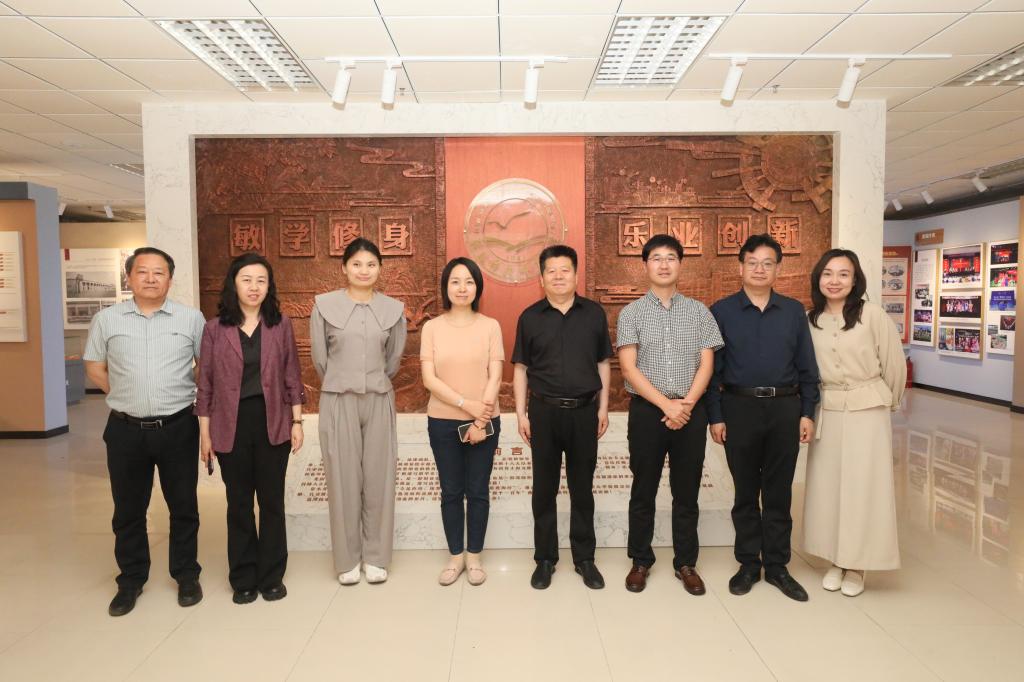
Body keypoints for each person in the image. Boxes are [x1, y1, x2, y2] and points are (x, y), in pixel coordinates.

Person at [84, 247, 207, 617]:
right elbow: (94, 367)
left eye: (159, 272)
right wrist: (124, 394)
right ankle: (131, 579)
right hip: (125, 430)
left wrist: (181, 389)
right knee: (128, 509)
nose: (151, 279)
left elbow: (205, 365)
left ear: (170, 279)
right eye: (142, 272)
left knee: (183, 506)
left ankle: (186, 575)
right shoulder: (107, 319)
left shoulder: (191, 318)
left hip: (178, 427)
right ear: (129, 277)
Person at [708, 234, 820, 602]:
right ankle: (747, 564)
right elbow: (711, 370)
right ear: (740, 267)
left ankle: (777, 566)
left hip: (785, 409)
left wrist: (807, 412)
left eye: (767, 263)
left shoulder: (793, 311)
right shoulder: (721, 311)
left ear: (777, 269)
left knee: (779, 491)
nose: (759, 269)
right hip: (738, 408)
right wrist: (716, 416)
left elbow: (807, 367)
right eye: (752, 262)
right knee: (744, 491)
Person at [195, 253, 306, 604]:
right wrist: (205, 433)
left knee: (271, 502)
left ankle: (271, 576)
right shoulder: (215, 329)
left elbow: (292, 375)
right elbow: (205, 384)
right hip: (231, 424)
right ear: (234, 284)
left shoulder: (280, 325)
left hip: (273, 421)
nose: (254, 287)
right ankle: (243, 576)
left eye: (261, 280)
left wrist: (297, 421)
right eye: (247, 279)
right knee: (239, 503)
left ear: (269, 286)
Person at [616, 234, 723, 594]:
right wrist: (666, 405)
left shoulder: (700, 312)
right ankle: (640, 561)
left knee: (686, 491)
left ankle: (686, 563)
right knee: (643, 489)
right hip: (648, 413)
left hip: (690, 412)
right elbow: (628, 368)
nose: (664, 264)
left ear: (680, 264)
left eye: (671, 258)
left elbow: (706, 365)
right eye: (656, 258)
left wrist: (686, 405)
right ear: (645, 265)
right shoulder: (631, 313)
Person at [802, 248, 905, 597]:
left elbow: (894, 365)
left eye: (843, 274)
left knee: (864, 488)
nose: (835, 281)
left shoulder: (872, 315)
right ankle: (837, 558)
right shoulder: (810, 319)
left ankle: (857, 564)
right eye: (828, 273)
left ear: (855, 279)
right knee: (829, 488)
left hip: (867, 409)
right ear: (818, 278)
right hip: (828, 410)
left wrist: (887, 403)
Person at [512, 244, 613, 590]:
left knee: (582, 487)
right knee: (544, 488)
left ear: (575, 274)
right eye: (551, 271)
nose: (558, 276)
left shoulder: (594, 314)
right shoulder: (530, 317)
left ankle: (585, 559)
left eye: (564, 270)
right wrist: (521, 413)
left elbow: (603, 362)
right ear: (541, 278)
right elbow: (521, 368)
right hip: (543, 412)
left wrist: (603, 407)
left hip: (585, 411)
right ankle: (545, 559)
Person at [310, 238, 407, 585]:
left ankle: (376, 557)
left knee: (380, 478)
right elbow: (320, 360)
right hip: (338, 399)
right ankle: (347, 560)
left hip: (379, 398)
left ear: (380, 269)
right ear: (344, 268)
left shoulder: (393, 310)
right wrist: (344, 380)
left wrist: (371, 380)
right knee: (342, 479)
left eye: (371, 264)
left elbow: (393, 360)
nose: (363, 270)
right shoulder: (324, 306)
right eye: (356, 264)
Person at [420, 257, 503, 586]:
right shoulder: (432, 328)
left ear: (477, 287)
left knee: (478, 491)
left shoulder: (490, 326)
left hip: (485, 421)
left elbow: (495, 375)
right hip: (442, 422)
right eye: (455, 281)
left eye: (469, 281)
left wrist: (481, 419)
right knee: (451, 492)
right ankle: (456, 556)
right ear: (446, 287)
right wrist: (466, 405)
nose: (462, 288)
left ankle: (474, 556)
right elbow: (429, 379)